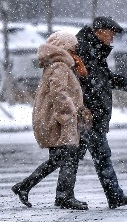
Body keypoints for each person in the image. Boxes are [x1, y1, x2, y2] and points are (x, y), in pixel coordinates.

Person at [12, 32, 92, 210]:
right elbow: (59, 94)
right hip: (60, 120)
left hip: (55, 119)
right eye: (72, 48)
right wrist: (69, 114)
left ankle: (29, 187)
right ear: (64, 47)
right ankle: (62, 196)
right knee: (67, 157)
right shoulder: (60, 67)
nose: (75, 51)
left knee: (61, 158)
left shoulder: (56, 65)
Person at [76, 16, 127, 209]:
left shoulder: (94, 49)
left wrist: (124, 83)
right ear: (100, 31)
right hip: (89, 115)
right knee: (96, 156)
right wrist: (93, 109)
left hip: (92, 113)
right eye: (110, 35)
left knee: (70, 157)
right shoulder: (87, 50)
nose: (111, 40)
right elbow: (90, 83)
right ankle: (114, 196)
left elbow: (102, 78)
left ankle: (58, 192)